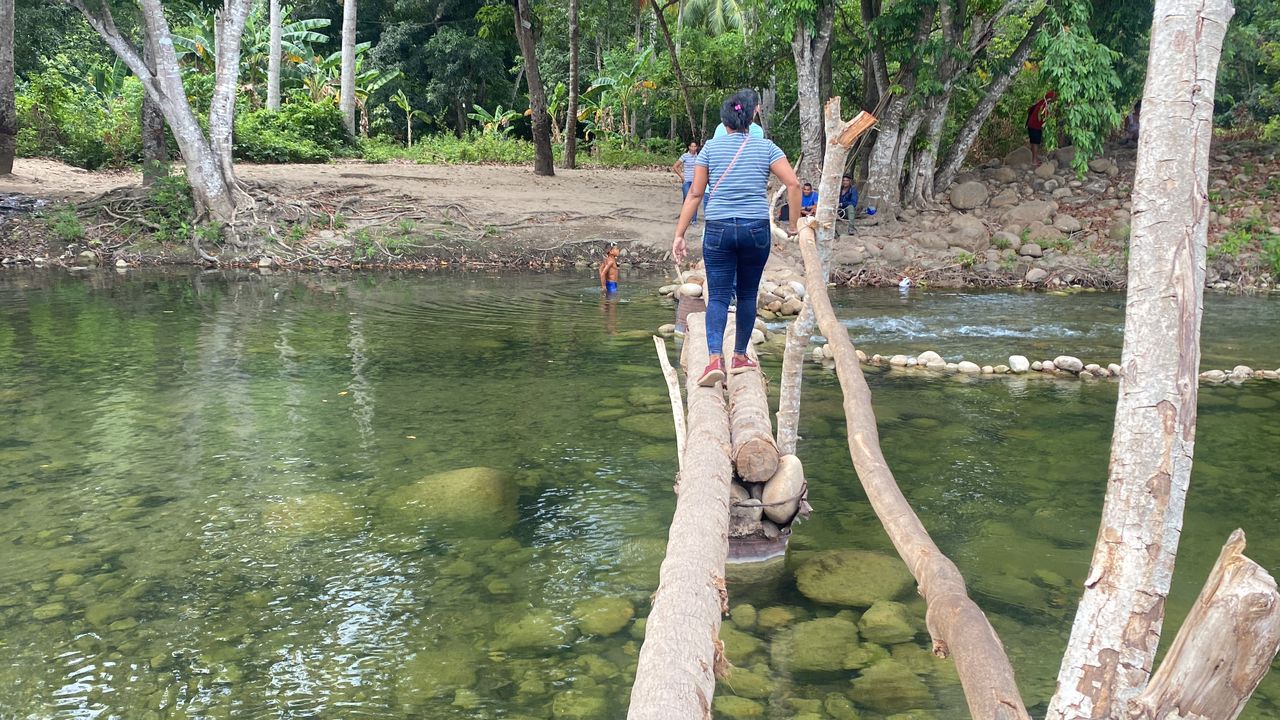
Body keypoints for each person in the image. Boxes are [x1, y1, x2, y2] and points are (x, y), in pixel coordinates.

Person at [673, 89, 802, 387]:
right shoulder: (766, 147)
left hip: (718, 229)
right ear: (751, 116)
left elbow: (695, 194)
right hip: (755, 229)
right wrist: (794, 224)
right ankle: (740, 356)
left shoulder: (708, 150)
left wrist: (679, 235)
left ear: (724, 121)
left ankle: (713, 360)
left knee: (717, 297)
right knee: (746, 294)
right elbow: (793, 184)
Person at [672, 141, 703, 224]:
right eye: (692, 146)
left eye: (695, 146)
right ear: (689, 147)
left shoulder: (699, 156)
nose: (693, 148)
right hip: (687, 180)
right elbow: (675, 166)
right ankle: (684, 216)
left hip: (695, 181)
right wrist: (681, 176)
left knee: (694, 199)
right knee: (687, 199)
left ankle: (694, 219)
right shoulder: (685, 156)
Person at [1026, 91, 1056, 163]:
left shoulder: (1041, 102)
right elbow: (1046, 118)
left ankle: (1034, 158)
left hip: (1031, 125)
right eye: (1054, 98)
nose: (1055, 100)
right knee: (1035, 143)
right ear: (1050, 98)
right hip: (1035, 126)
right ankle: (1034, 160)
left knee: (1033, 142)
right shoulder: (1044, 105)